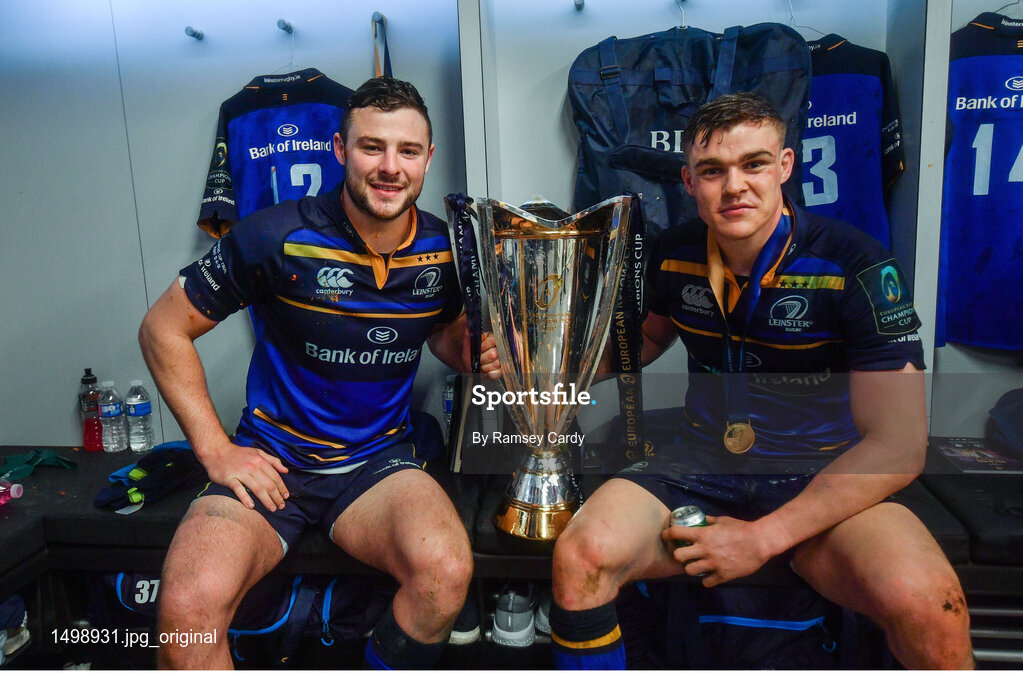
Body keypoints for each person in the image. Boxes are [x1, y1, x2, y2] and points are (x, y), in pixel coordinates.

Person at [548, 92, 973, 669]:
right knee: (581, 556)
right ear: (689, 181)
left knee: (933, 605)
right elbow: (642, 341)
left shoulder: (858, 264)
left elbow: (898, 447)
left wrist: (762, 538)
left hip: (822, 476)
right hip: (702, 465)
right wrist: (547, 367)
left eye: (753, 164)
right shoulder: (672, 254)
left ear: (785, 166)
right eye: (712, 171)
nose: (734, 186)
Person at [139, 77, 499, 669]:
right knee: (187, 606)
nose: (390, 167)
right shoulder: (273, 234)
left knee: (446, 571)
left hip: (375, 465)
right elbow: (162, 329)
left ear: (428, 159)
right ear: (338, 150)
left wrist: (473, 353)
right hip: (273, 463)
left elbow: (443, 332)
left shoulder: (446, 248)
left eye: (407, 151)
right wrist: (214, 449)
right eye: (371, 147)